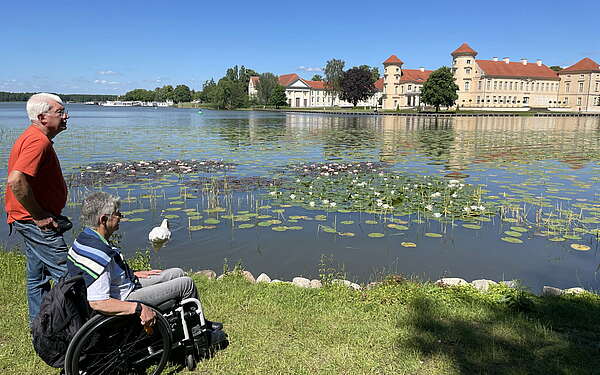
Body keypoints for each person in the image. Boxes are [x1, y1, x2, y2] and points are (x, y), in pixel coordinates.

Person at [66, 192, 210, 330]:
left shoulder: (85, 238)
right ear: (103, 220)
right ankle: (198, 329)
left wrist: (130, 273)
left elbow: (107, 275)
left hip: (123, 285)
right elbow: (98, 302)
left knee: (177, 273)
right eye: (117, 214)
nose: (120, 217)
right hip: (124, 297)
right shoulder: (99, 256)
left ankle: (186, 321)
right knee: (186, 284)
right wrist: (138, 308)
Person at [5, 93, 70, 324]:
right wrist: (40, 216)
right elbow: (16, 180)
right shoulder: (37, 141)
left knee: (37, 277)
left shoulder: (35, 137)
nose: (66, 116)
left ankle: (40, 327)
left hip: (25, 219)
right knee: (69, 275)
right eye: (60, 112)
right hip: (34, 222)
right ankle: (83, 331)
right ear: (43, 117)